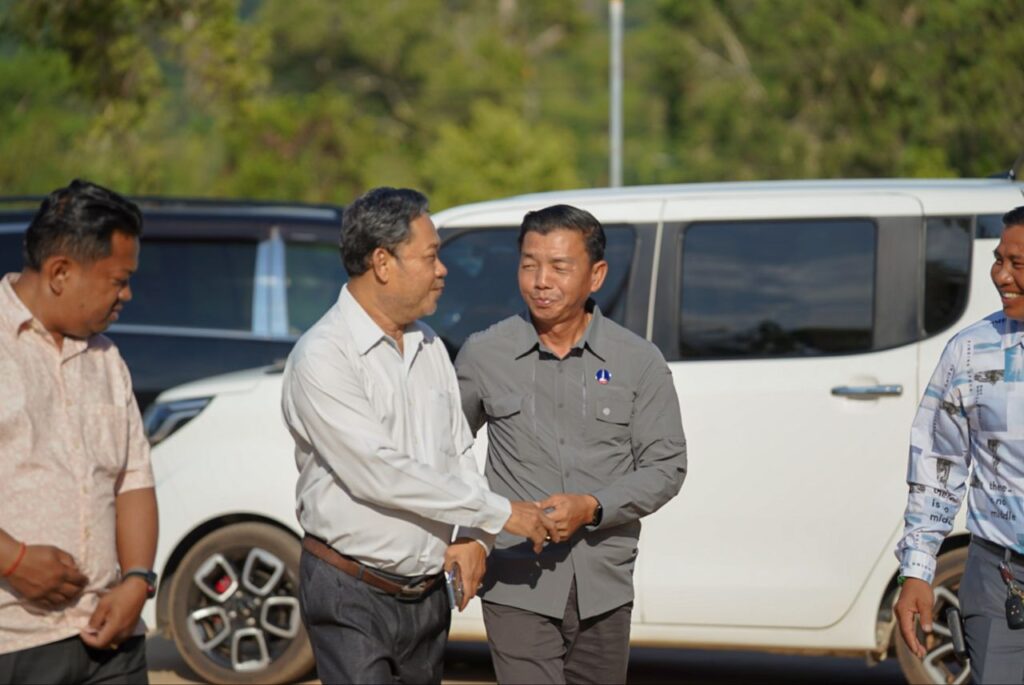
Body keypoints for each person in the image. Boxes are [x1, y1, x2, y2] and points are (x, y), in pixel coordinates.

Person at [280, 187, 556, 684]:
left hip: (426, 595)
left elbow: (458, 452)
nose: (442, 270)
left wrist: (474, 536)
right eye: (430, 257)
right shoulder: (323, 355)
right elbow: (378, 471)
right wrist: (500, 513)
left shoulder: (428, 345)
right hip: (350, 591)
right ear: (382, 263)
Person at [455, 204, 688, 684]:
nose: (541, 281)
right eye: (529, 264)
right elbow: (444, 450)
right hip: (515, 579)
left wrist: (593, 507)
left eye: (559, 267)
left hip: (604, 585)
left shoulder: (638, 361)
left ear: (596, 275)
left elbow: (667, 466)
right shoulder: (484, 354)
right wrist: (471, 531)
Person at [0, 180, 158, 684]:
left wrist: (138, 580)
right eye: (118, 280)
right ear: (61, 272)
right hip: (15, 641)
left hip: (111, 640)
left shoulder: (107, 359)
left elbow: (133, 479)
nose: (127, 295)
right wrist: (13, 561)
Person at [895, 205, 1024, 684]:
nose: (1001, 276)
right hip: (1000, 582)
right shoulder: (970, 352)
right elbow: (938, 463)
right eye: (998, 259)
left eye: (1017, 263)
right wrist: (917, 570)